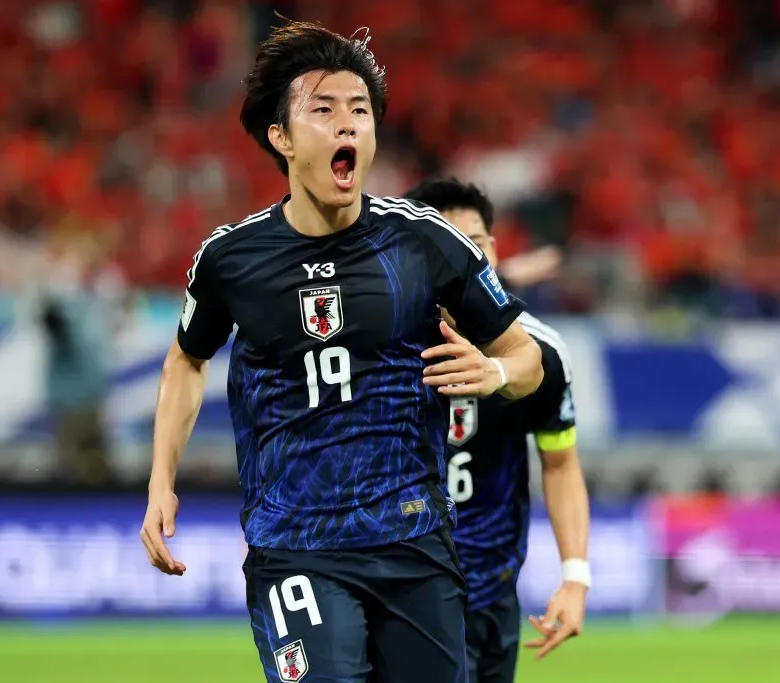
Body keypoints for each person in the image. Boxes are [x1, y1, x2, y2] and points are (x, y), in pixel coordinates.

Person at [139, 21, 544, 683]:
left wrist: (495, 370)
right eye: (323, 111)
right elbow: (186, 359)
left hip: (412, 538)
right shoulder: (232, 259)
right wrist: (161, 479)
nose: (346, 125)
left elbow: (526, 357)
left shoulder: (425, 243)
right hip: (297, 547)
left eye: (359, 110)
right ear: (281, 136)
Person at [405, 178, 591, 683]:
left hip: (492, 592)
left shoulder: (541, 353)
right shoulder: (384, 348)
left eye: (478, 245)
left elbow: (561, 463)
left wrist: (575, 576)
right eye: (452, 245)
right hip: (403, 590)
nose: (468, 258)